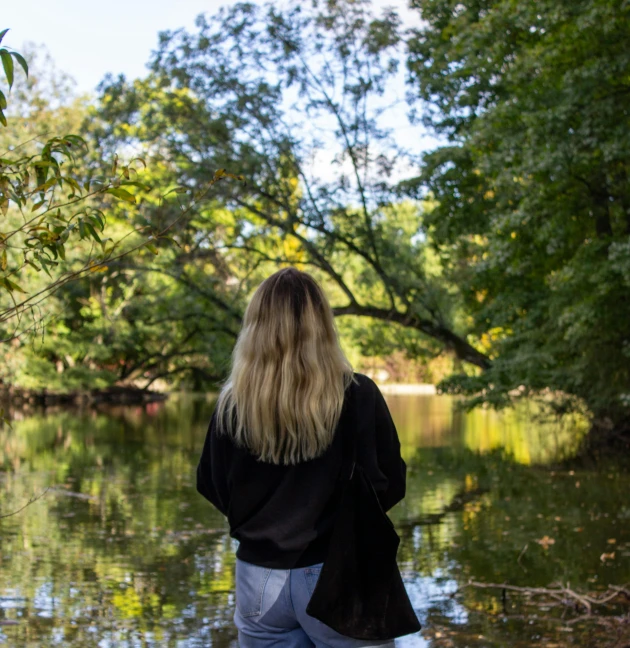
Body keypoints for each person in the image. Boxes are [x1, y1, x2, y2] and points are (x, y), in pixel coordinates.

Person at [196, 267, 407, 647]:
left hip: (258, 576)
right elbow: (389, 483)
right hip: (341, 570)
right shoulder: (357, 395)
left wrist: (261, 523)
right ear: (322, 325)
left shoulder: (233, 405)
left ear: (256, 326)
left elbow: (211, 484)